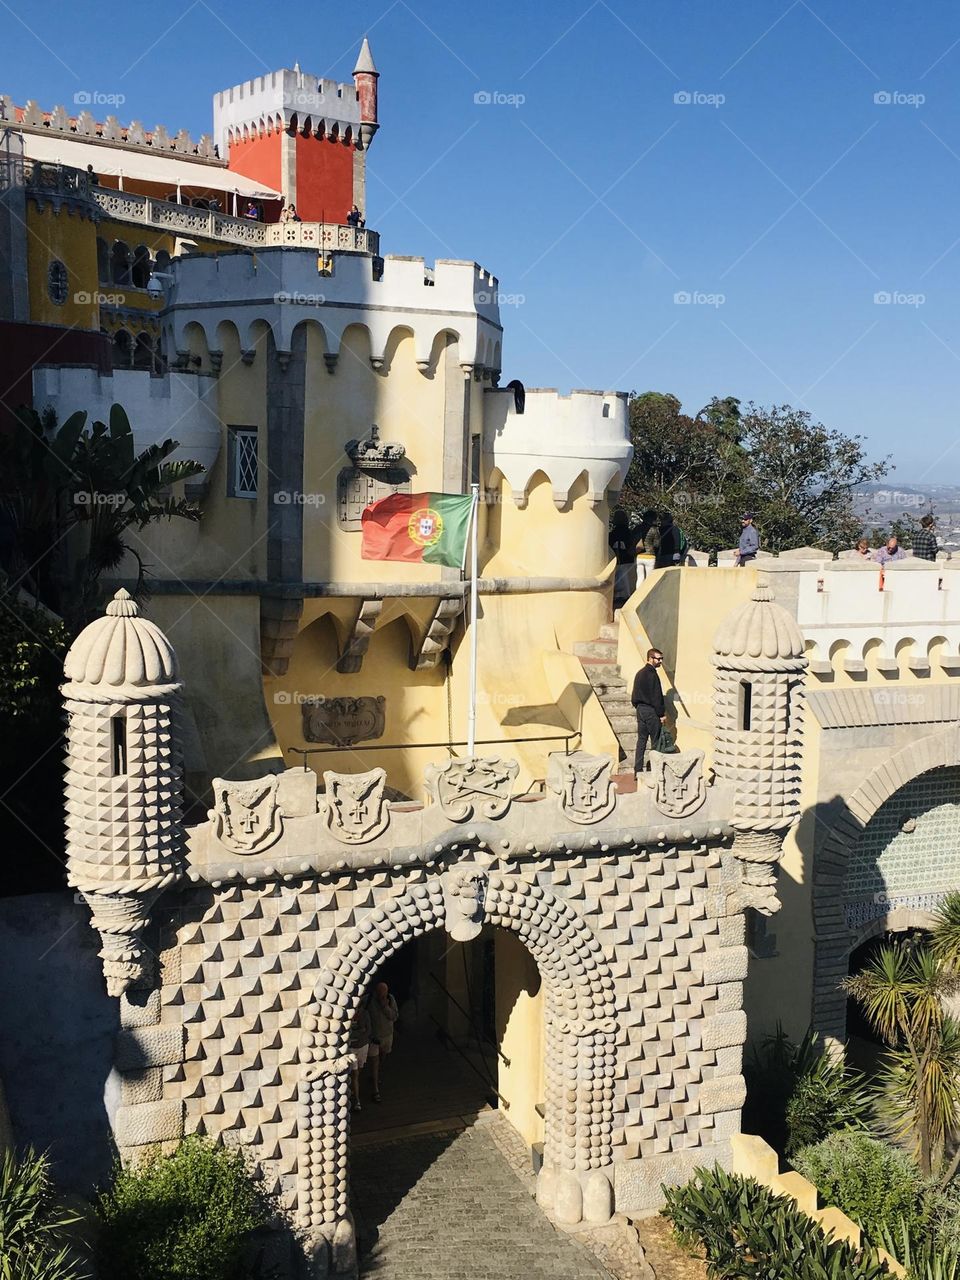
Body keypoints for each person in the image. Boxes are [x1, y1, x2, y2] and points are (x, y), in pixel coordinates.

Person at [632, 647, 666, 774]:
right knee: (655, 742)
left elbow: (634, 695)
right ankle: (655, 770)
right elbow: (656, 696)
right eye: (658, 659)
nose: (661, 661)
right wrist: (661, 714)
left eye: (662, 659)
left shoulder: (640, 673)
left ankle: (638, 770)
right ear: (651, 658)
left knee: (641, 740)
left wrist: (639, 707)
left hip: (640, 709)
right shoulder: (652, 675)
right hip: (651, 711)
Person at [367, 980, 399, 1102]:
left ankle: (377, 1074)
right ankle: (375, 1090)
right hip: (374, 1037)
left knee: (382, 1057)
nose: (382, 994)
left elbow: (394, 1017)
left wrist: (385, 1007)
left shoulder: (390, 999)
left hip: (387, 1036)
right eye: (380, 992)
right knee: (375, 1062)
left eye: (384, 992)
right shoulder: (368, 1000)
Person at [609, 510, 639, 605]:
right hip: (628, 560)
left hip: (615, 561)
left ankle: (617, 597)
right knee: (628, 583)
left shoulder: (612, 534)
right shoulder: (629, 533)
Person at [348, 1001, 371, 1112]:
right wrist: (359, 1032)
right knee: (355, 1073)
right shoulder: (346, 1015)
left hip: (363, 1046)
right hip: (351, 1048)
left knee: (359, 1070)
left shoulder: (365, 1014)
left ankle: (353, 1088)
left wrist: (356, 1033)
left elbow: (368, 1030)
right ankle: (357, 1100)